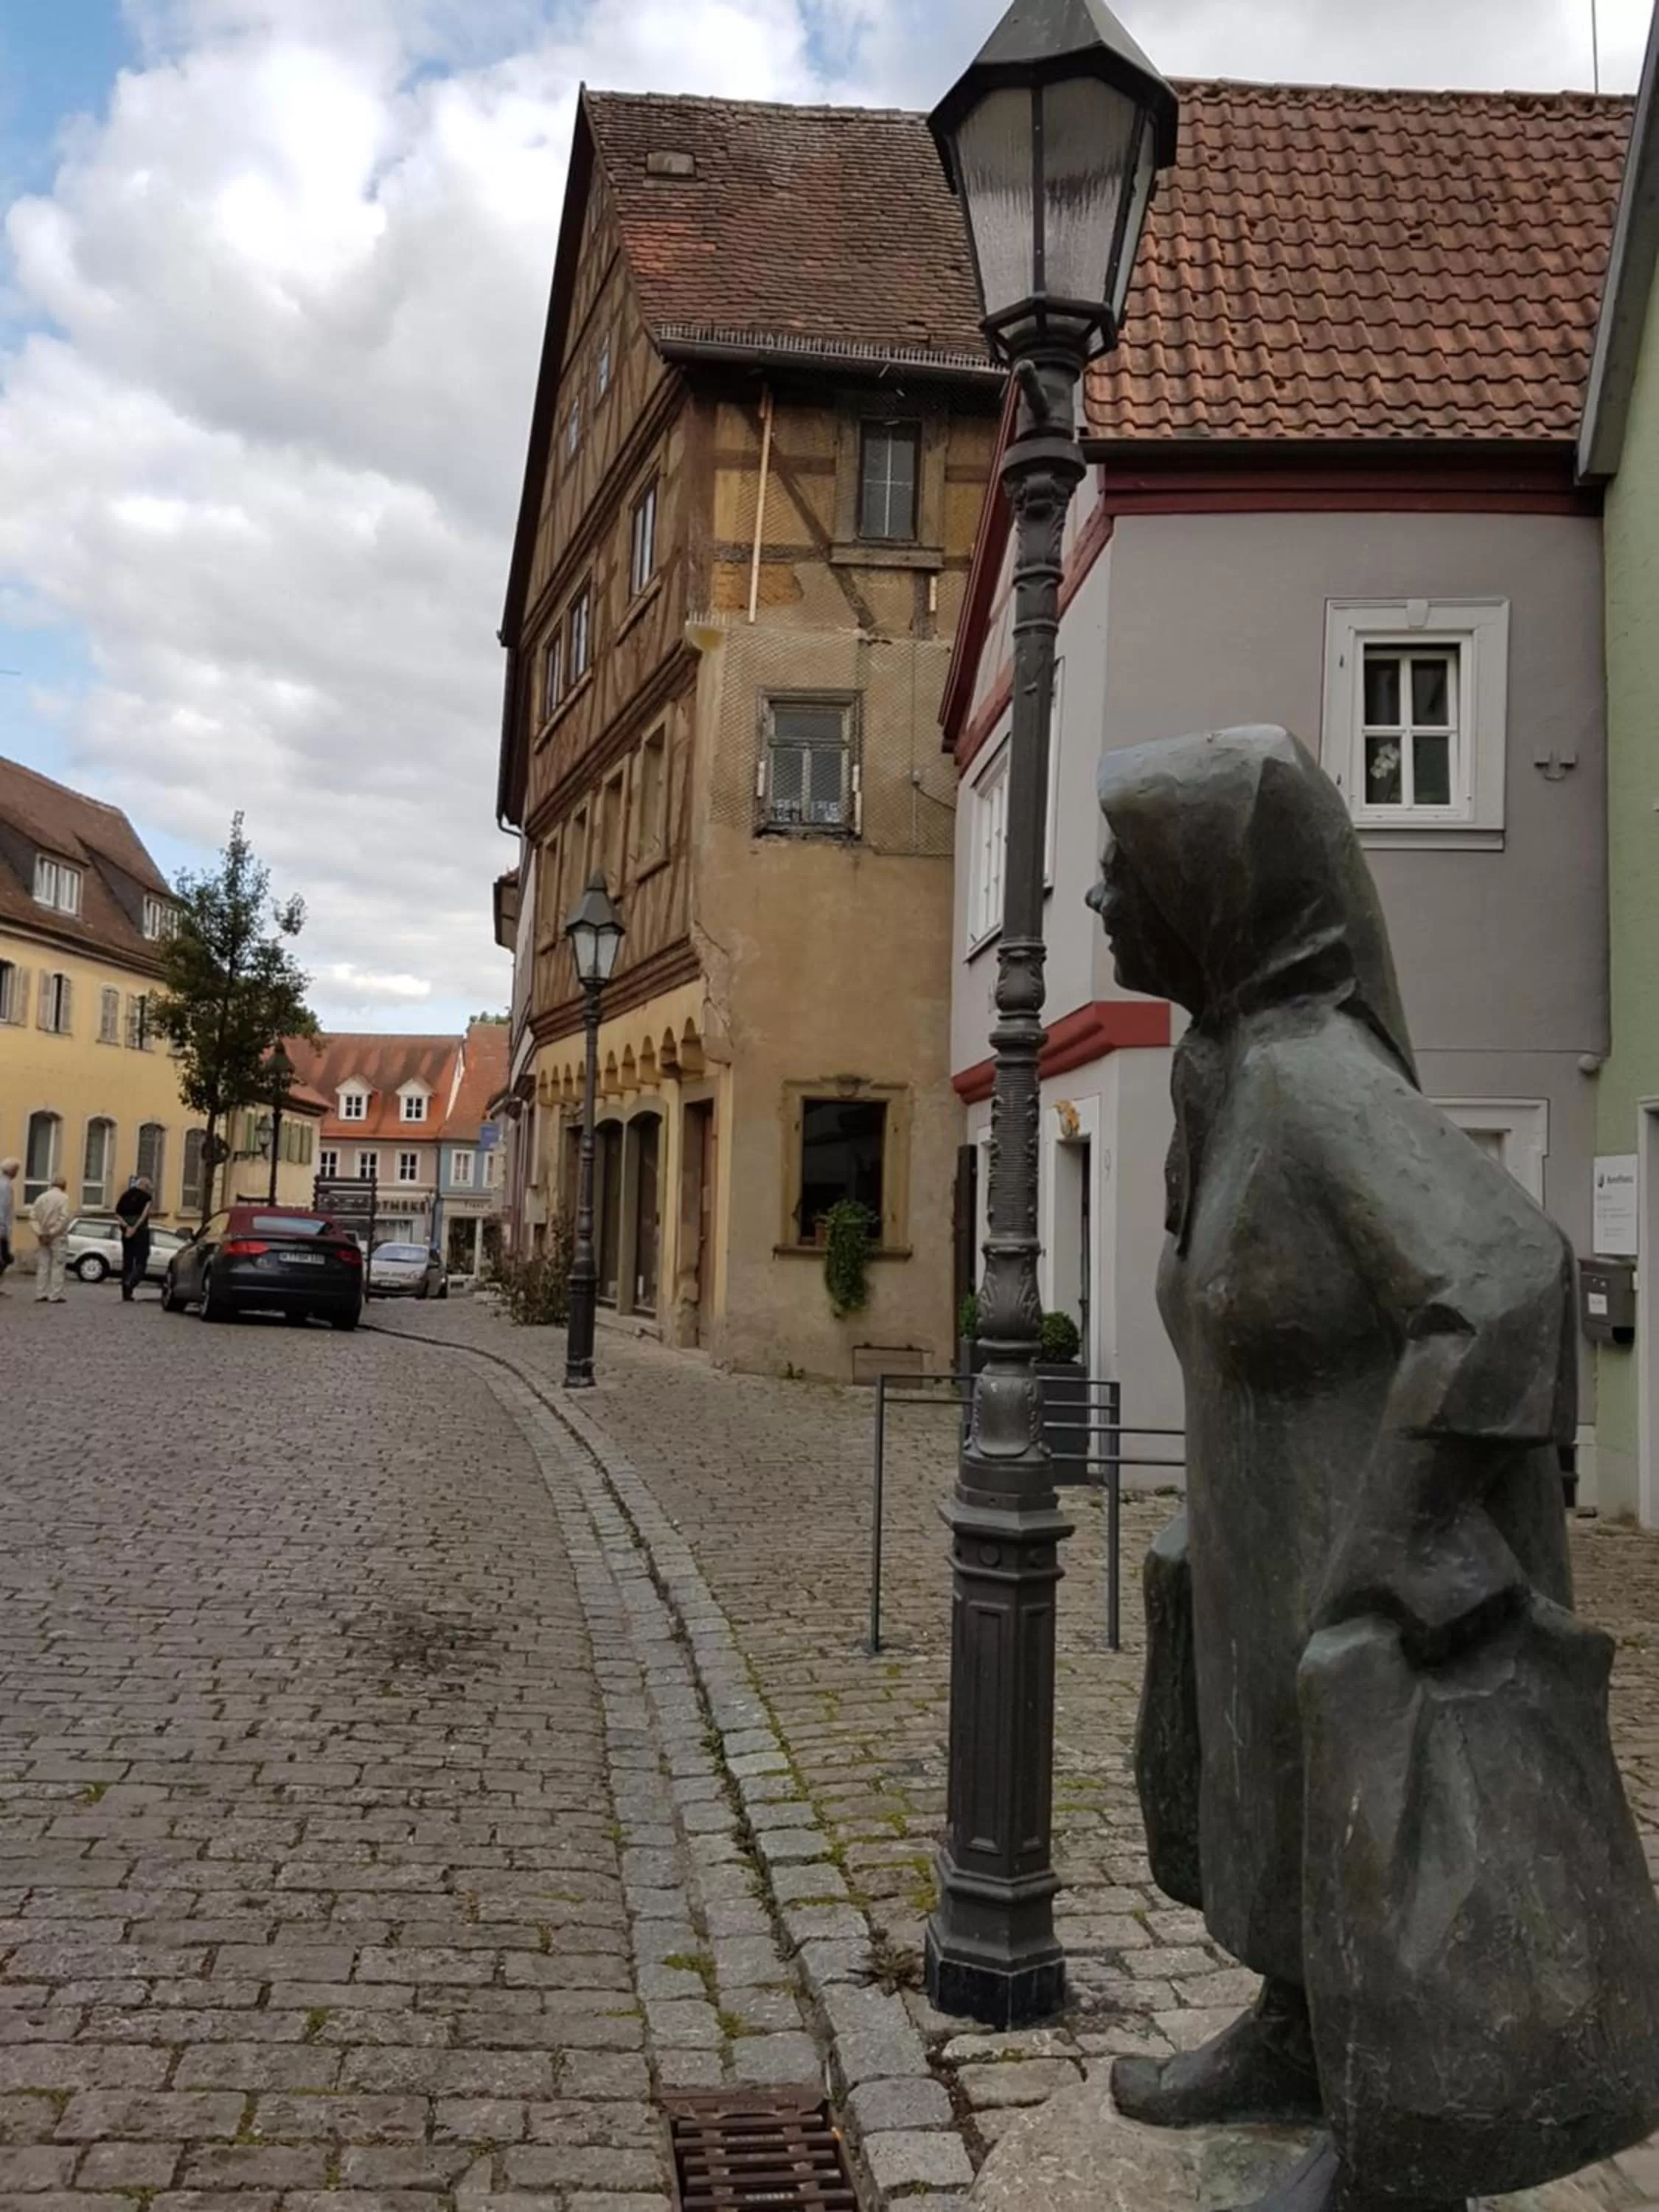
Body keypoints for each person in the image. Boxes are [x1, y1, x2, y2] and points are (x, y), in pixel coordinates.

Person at [1091, 726, 1659, 2212]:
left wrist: (1398, 1535)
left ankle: (1399, 2132)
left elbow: (1507, 1274)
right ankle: (1295, 2036)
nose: (1097, 894)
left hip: (1346, 1545)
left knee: (1366, 1819)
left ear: (1210, 897)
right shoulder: (1220, 1068)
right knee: (1270, 1797)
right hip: (1263, 1532)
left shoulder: (1307, 1074)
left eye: (1125, 868)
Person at [29, 1174, 72, 1304]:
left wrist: (40, 1233)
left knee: (43, 1265)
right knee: (58, 1265)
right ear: (64, 1186)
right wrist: (52, 1233)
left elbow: (32, 1217)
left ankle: (40, 1293)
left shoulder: (41, 1198)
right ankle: (55, 1295)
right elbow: (64, 1219)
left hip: (42, 1236)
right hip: (58, 1237)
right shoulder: (64, 1198)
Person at [114, 1175, 154, 1301]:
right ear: (145, 1186)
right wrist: (135, 1228)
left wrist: (126, 1227)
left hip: (126, 1233)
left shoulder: (125, 1195)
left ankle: (126, 1293)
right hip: (141, 1232)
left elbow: (117, 1213)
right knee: (142, 1259)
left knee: (127, 1261)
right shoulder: (147, 1198)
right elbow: (144, 1215)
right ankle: (131, 1282)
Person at [0, 1157, 17, 1295]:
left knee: (5, 1258)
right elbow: (3, 1208)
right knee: (6, 1258)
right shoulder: (5, 1186)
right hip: (2, 1228)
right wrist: (4, 1228)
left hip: (3, 1226)